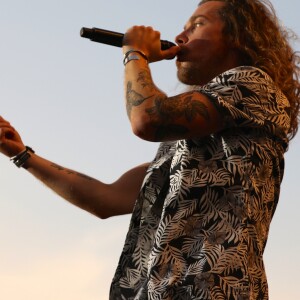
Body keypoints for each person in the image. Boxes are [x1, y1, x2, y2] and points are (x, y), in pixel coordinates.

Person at [0, 0, 299, 299]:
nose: (181, 37)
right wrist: (22, 154)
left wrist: (135, 53)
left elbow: (147, 119)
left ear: (239, 35)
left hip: (212, 289)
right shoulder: (189, 147)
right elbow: (106, 199)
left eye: (197, 25)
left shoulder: (252, 84)